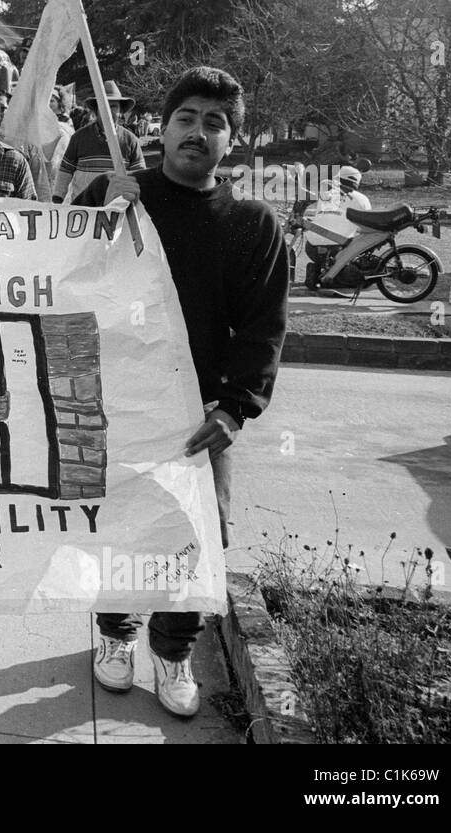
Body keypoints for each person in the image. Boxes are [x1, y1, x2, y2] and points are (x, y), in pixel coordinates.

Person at [68, 67, 289, 718]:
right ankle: (114, 636)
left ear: (232, 142)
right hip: (121, 403)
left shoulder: (252, 225)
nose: (198, 131)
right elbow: (65, 282)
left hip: (200, 415)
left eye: (215, 123)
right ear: (161, 129)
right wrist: (95, 213)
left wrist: (235, 407)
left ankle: (173, 650)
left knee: (196, 538)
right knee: (123, 527)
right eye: (186, 118)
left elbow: (263, 327)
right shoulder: (120, 198)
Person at [52, 81, 147, 204]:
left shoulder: (130, 140)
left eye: (113, 106)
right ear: (96, 110)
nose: (108, 111)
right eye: (104, 105)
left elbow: (140, 176)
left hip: (117, 210)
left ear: (120, 111)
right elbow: (65, 171)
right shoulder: (79, 138)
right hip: (84, 210)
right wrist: (57, 199)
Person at [303, 165, 369, 289]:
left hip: (312, 248)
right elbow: (366, 226)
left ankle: (317, 268)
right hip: (338, 248)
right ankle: (335, 277)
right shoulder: (361, 199)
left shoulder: (325, 195)